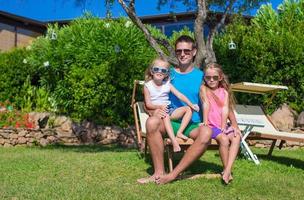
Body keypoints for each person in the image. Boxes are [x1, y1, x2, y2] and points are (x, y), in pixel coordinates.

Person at [137, 35, 240, 185]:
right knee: (152, 122)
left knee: (206, 131)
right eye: (179, 51)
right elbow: (150, 99)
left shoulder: (202, 77)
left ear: (194, 52)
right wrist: (151, 111)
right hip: (170, 121)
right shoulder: (166, 73)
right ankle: (158, 173)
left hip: (192, 124)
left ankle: (173, 174)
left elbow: (222, 101)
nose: (183, 54)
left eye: (186, 50)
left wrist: (235, 124)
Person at [143, 57, 200, 152]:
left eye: (163, 70)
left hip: (170, 110)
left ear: (166, 74)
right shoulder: (148, 86)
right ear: (152, 71)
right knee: (165, 114)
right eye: (156, 69)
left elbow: (180, 95)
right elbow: (148, 104)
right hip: (158, 112)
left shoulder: (167, 85)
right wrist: (159, 107)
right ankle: (174, 142)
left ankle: (180, 132)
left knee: (188, 109)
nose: (159, 72)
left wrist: (191, 104)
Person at [200, 63, 241, 184]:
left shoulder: (224, 92)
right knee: (224, 139)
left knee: (236, 136)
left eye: (215, 77)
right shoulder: (204, 89)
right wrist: (205, 123)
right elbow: (206, 104)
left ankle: (227, 170)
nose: (211, 80)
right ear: (205, 78)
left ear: (220, 77)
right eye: (208, 77)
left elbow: (225, 109)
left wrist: (223, 126)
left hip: (221, 125)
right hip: (211, 125)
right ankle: (227, 171)